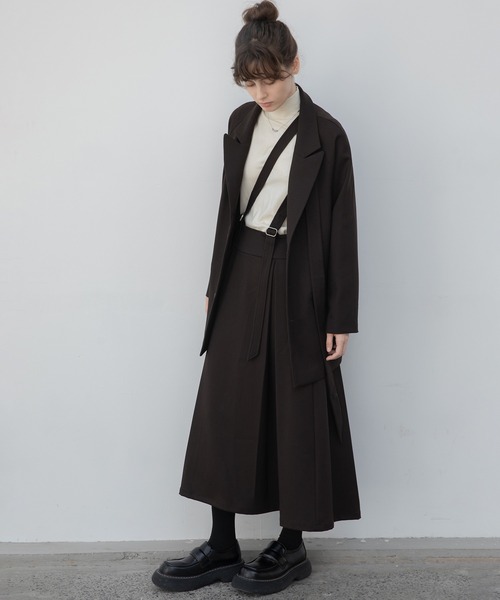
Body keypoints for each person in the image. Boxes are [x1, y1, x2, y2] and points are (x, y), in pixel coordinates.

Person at [152, 1, 360, 594]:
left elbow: (342, 227)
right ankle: (221, 545)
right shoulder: (241, 120)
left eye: (270, 78)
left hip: (301, 276)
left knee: (297, 405)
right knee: (226, 404)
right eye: (248, 81)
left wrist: (340, 315)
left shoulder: (327, 134)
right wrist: (216, 284)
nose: (261, 92)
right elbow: (230, 209)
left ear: (295, 64)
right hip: (241, 268)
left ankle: (290, 546)